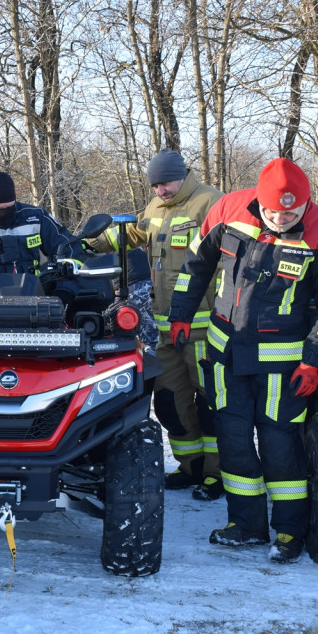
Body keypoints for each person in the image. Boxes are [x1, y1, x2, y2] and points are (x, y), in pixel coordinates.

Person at [168, 157, 318, 563]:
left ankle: (290, 531)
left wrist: (313, 361)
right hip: (225, 357)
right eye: (272, 211)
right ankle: (247, 525)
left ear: (306, 204)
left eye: (290, 212)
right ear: (258, 200)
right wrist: (180, 313)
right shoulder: (228, 210)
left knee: (280, 446)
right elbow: (195, 266)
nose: (280, 218)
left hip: (282, 368)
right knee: (233, 442)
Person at [88, 149, 224, 500]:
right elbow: (129, 234)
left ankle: (216, 474)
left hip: (205, 331)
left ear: (182, 175)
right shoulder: (153, 209)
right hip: (166, 333)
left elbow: (229, 266)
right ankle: (190, 466)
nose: (160, 190)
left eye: (165, 183)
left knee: (212, 404)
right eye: (155, 185)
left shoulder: (211, 204)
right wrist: (88, 240)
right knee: (169, 402)